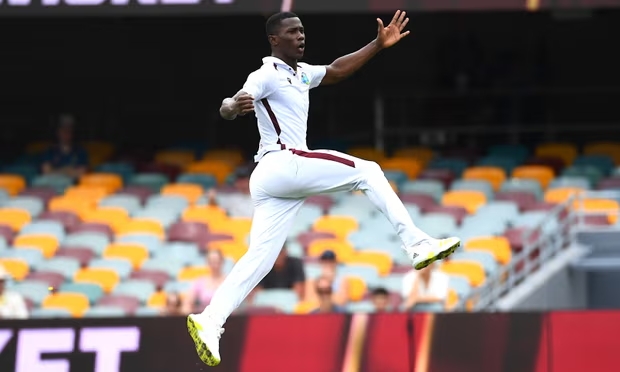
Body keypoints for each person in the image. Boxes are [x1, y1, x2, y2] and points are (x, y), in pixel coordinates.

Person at [187, 10, 460, 367]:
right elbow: (232, 102)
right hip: (284, 163)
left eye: (302, 30)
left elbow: (335, 71)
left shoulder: (300, 74)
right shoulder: (266, 73)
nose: (300, 36)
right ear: (274, 40)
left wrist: (377, 45)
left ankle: (210, 320)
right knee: (368, 170)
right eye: (292, 31)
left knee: (259, 260)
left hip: (273, 181)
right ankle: (417, 244)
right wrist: (231, 108)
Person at [41, 114, 89, 179]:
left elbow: (81, 174)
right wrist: (66, 170)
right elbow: (46, 172)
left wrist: (55, 171)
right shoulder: (50, 151)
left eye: (69, 131)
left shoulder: (80, 151)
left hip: (73, 185)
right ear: (58, 132)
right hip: (53, 183)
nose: (66, 133)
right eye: (63, 130)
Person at [181, 249, 227, 314]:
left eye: (217, 261)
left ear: (222, 262)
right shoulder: (200, 282)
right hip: (204, 319)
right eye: (212, 262)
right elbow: (188, 302)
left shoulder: (229, 281)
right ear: (207, 263)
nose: (214, 265)